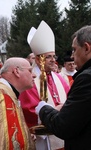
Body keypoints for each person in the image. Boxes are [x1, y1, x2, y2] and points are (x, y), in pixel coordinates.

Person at [35, 24, 91, 150]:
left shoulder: (87, 78)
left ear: (86, 48)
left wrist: (43, 108)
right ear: (38, 60)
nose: (72, 56)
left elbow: (64, 126)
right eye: (48, 57)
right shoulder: (33, 79)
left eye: (74, 49)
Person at [19, 21, 70, 150]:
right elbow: (28, 110)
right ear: (37, 60)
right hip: (43, 138)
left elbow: (71, 99)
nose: (53, 60)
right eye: (48, 57)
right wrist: (54, 111)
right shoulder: (30, 81)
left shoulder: (60, 78)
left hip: (63, 133)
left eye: (54, 56)